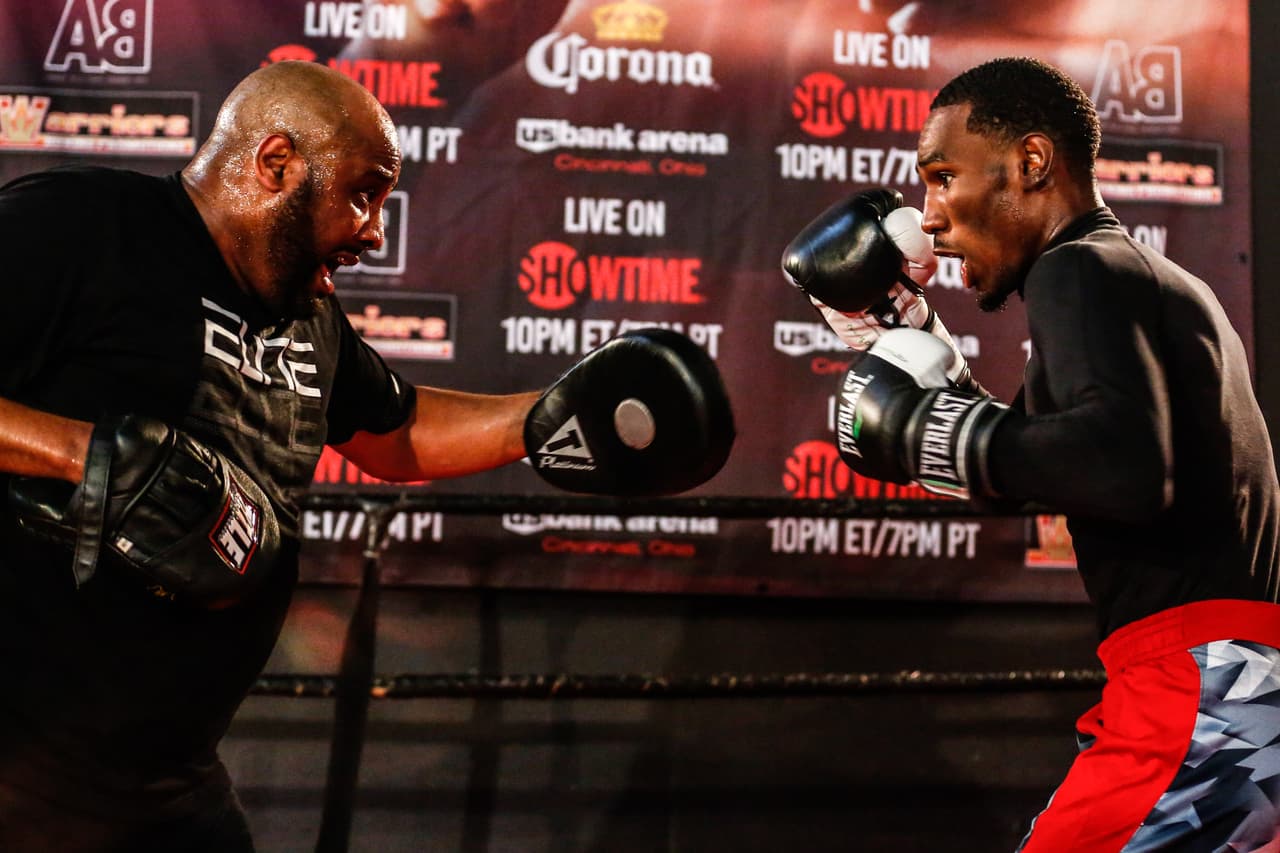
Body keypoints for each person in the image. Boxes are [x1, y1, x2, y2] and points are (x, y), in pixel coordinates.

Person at [0, 60, 731, 852]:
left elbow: (395, 430)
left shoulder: (306, 315)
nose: (375, 230)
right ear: (275, 162)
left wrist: (546, 417)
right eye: (364, 191)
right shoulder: (86, 226)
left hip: (163, 783)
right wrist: (90, 455)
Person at [785, 57, 1280, 850]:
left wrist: (922, 428)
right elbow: (1053, 458)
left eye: (943, 176)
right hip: (1237, 692)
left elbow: (1118, 466)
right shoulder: (1143, 277)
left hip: (1202, 693)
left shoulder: (1074, 268)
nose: (931, 215)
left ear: (1032, 163)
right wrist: (914, 343)